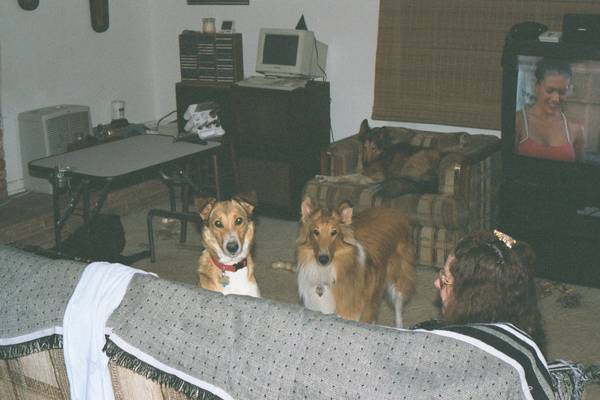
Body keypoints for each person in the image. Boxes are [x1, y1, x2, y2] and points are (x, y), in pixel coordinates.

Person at [417, 229, 546, 352]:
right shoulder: (529, 344)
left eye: (445, 280)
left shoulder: (439, 347)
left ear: (472, 299)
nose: (436, 283)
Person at [515, 58, 585, 162]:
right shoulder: (518, 121)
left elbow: (580, 172)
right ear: (537, 87)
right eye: (549, 90)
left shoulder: (576, 128)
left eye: (562, 92)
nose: (556, 99)